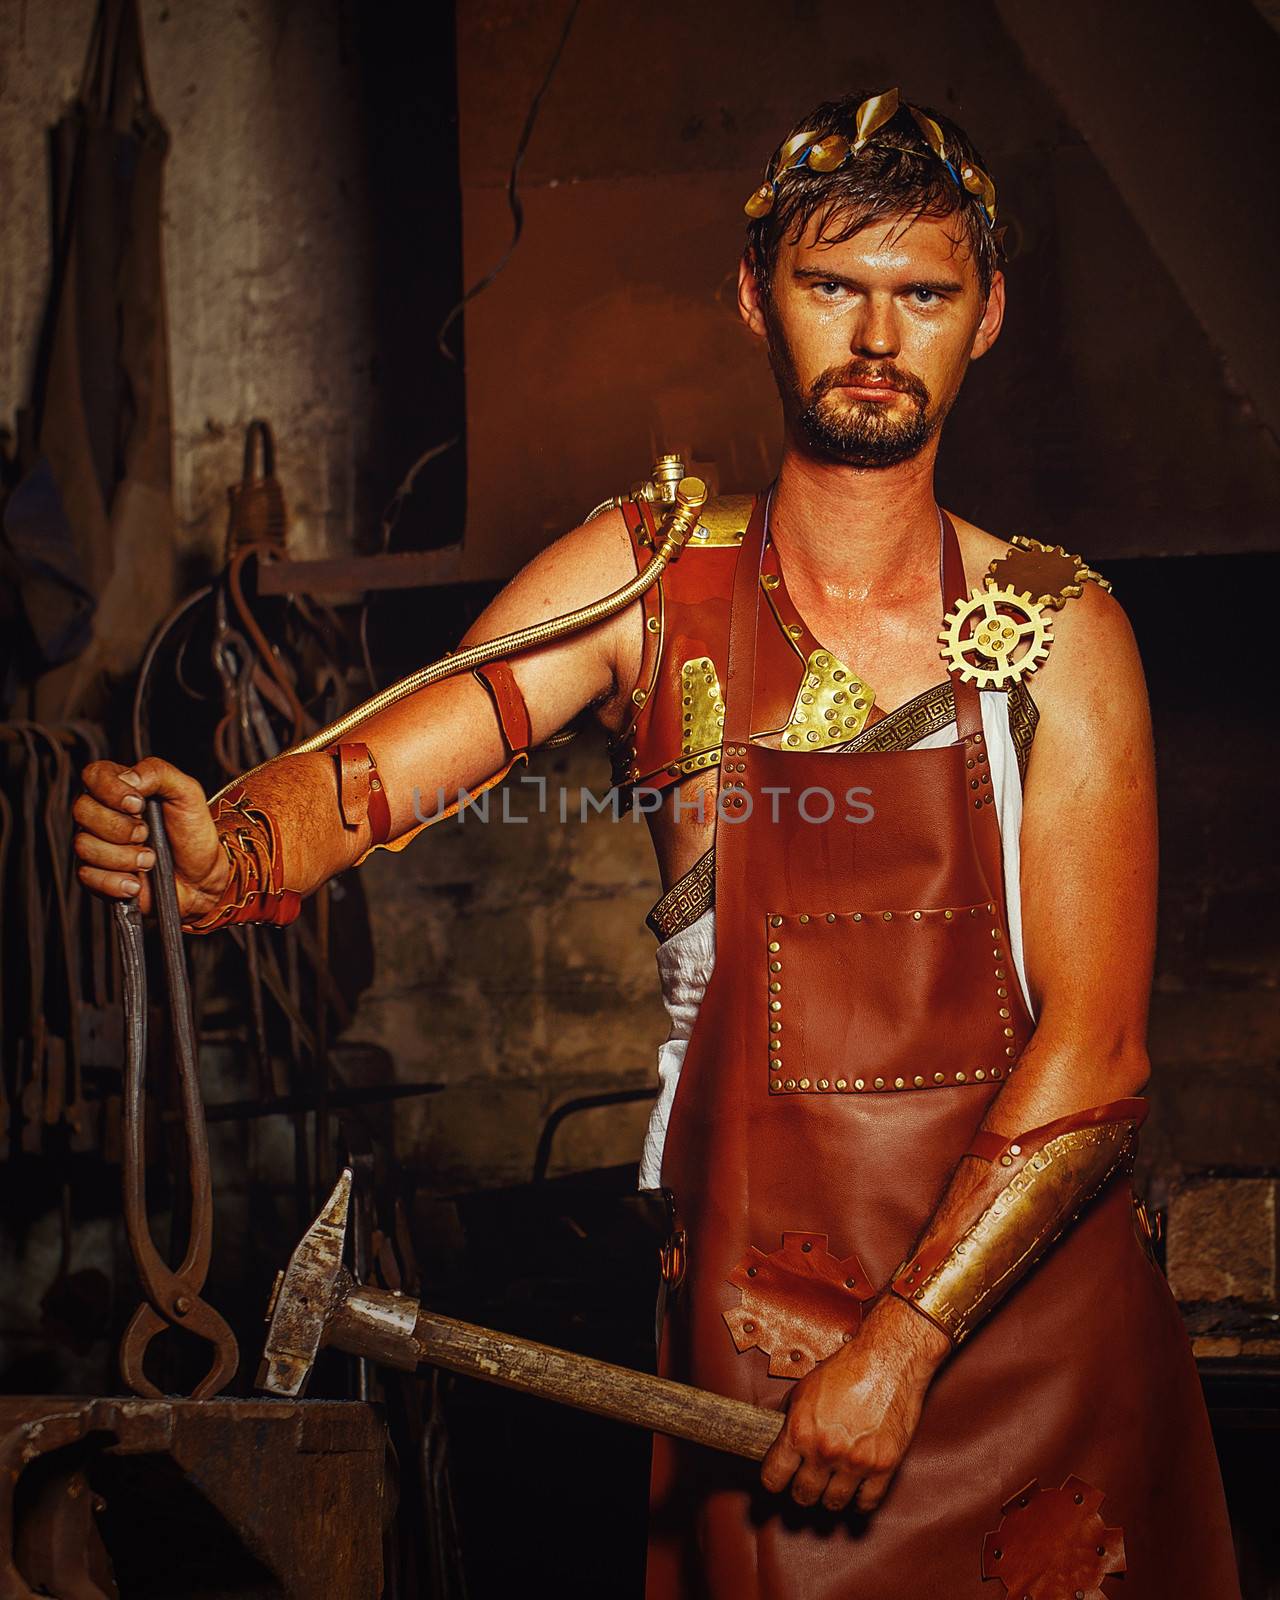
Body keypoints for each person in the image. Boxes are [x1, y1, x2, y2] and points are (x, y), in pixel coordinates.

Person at [74, 88, 1239, 1599]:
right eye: (833, 285)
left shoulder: (1063, 633)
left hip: (1033, 1354)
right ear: (755, 294)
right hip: (758, 1349)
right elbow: (381, 767)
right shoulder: (645, 578)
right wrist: (229, 847)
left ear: (986, 315)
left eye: (924, 295)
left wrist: (903, 1348)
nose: (878, 339)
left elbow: (1096, 1060)